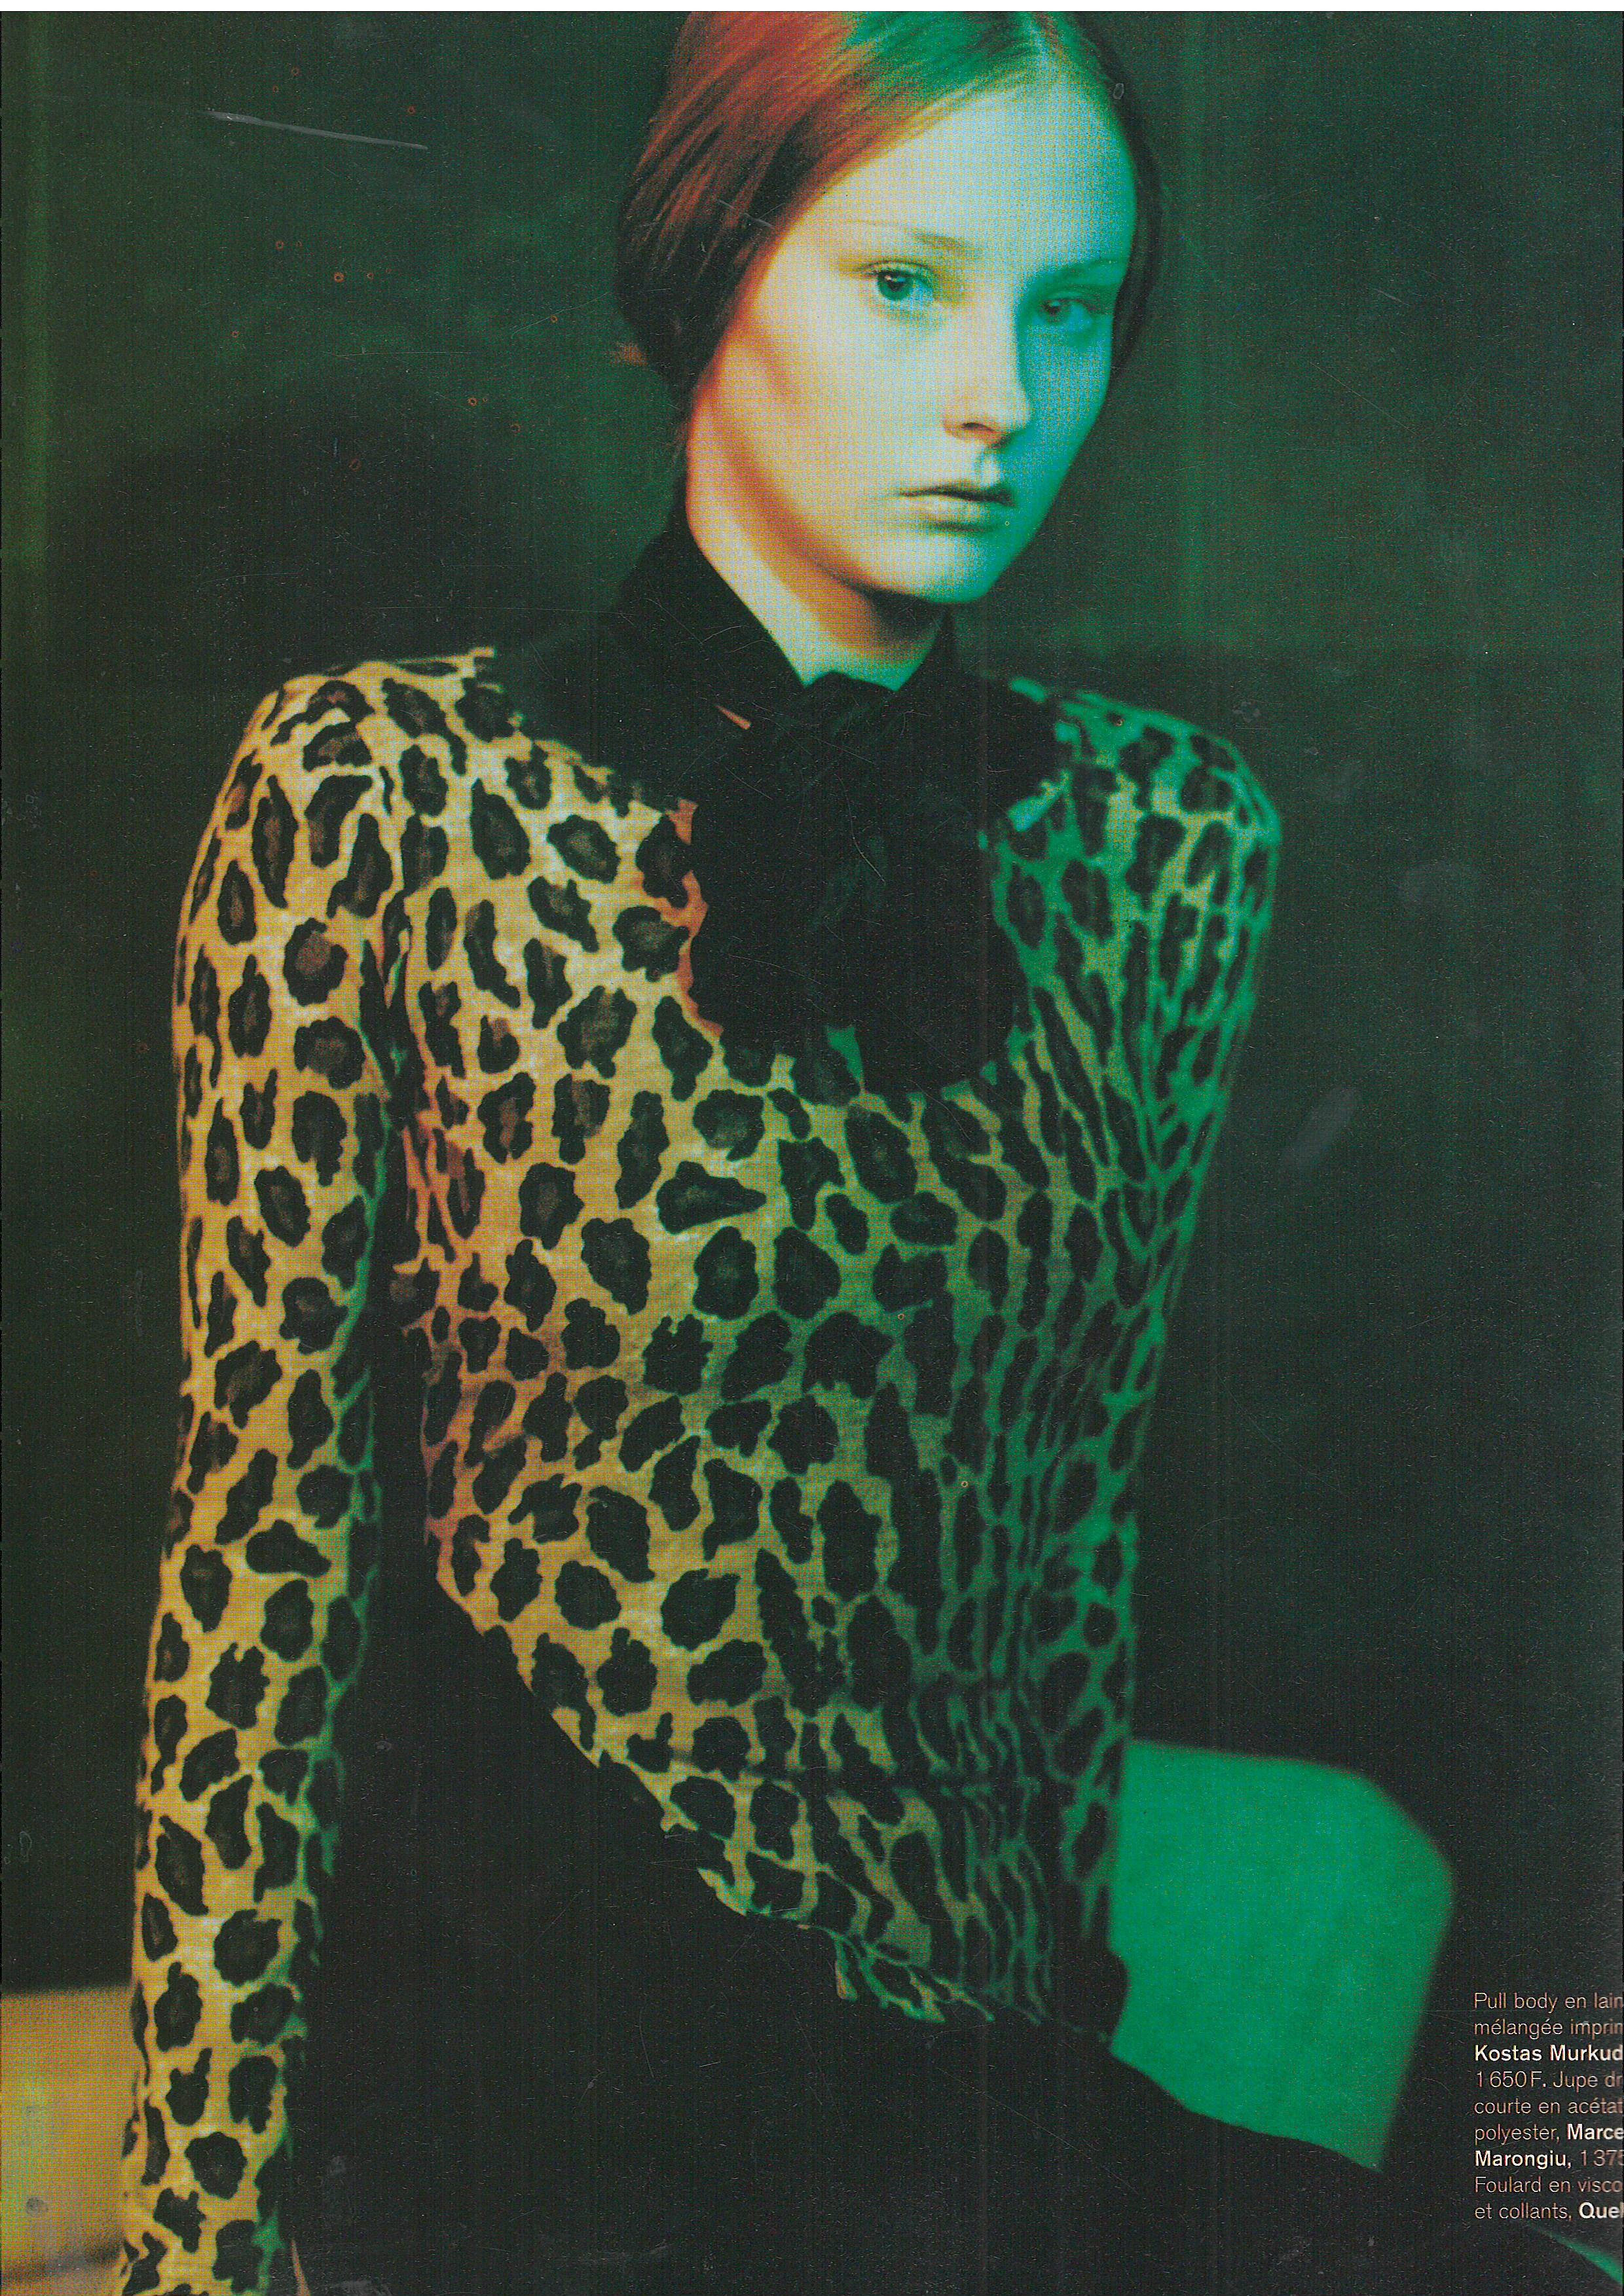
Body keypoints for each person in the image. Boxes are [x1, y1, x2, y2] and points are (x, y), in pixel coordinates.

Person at [111, 17, 1604, 2295]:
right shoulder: (376, 790)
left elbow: (1074, 1541)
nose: (1002, 393)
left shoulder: (1164, 840)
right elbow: (259, 1569)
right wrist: (196, 2250)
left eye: (1071, 306)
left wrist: (1048, 2041)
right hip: (532, 2061)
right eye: (907, 284)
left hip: (953, 2091)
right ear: (709, 273)